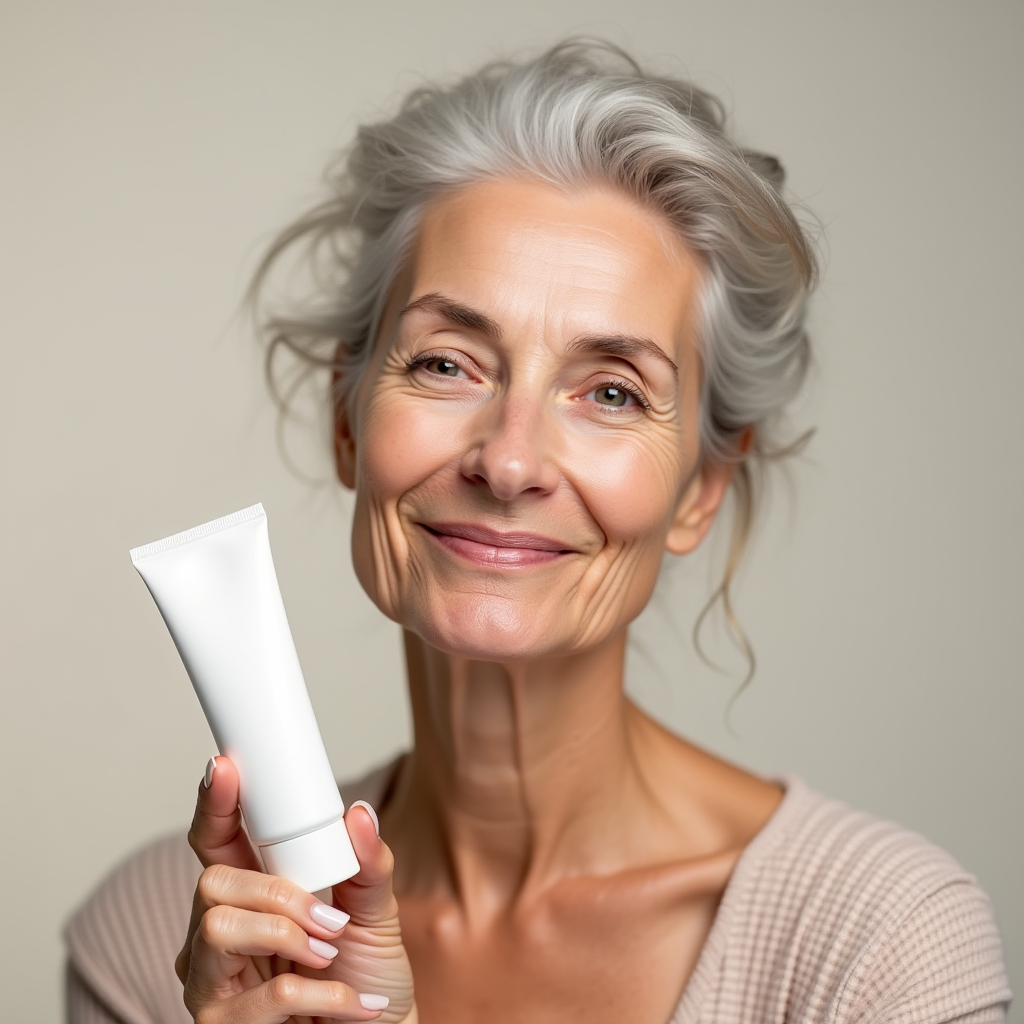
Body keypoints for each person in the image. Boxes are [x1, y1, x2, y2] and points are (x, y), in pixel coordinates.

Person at [65, 41, 1011, 1024]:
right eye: (446, 365)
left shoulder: (880, 949)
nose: (508, 462)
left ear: (700, 488)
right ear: (345, 420)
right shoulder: (159, 945)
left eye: (611, 391)